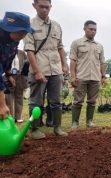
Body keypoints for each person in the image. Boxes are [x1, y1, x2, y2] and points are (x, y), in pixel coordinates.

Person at [24, 0, 68, 139]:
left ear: (51, 7)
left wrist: (64, 65)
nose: (44, 10)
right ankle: (35, 128)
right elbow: (29, 50)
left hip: (55, 70)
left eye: (47, 7)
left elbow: (60, 47)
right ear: (34, 6)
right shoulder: (29, 25)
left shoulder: (56, 25)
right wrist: (37, 71)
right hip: (39, 68)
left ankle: (57, 127)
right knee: (36, 102)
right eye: (41, 6)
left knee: (56, 101)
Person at [69, 20, 106, 129]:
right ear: (84, 28)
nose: (93, 32)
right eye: (91, 29)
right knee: (78, 101)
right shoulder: (77, 43)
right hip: (81, 77)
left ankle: (89, 121)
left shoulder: (99, 46)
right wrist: (73, 76)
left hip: (95, 78)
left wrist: (103, 76)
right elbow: (73, 61)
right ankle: (75, 122)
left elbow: (102, 62)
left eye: (95, 30)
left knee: (92, 101)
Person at [0, 11, 34, 120]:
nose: (23, 36)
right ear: (8, 29)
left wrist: (9, 74)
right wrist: (1, 104)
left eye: (25, 33)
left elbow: (9, 56)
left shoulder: (14, 39)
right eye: (20, 32)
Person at [5, 49, 29, 123]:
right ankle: (10, 117)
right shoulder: (6, 51)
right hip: (8, 75)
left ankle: (18, 117)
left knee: (19, 97)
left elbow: (27, 63)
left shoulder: (22, 53)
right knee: (8, 98)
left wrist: (25, 76)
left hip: (19, 76)